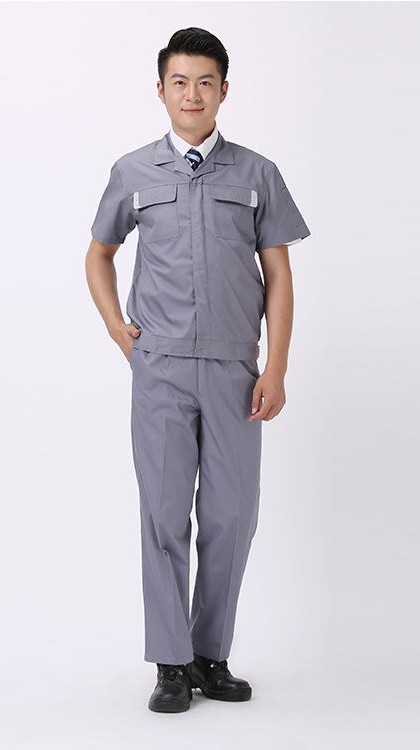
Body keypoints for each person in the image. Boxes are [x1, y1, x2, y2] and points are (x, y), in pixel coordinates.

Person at [85, 27, 310, 713]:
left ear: (223, 90)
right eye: (179, 82)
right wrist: (116, 327)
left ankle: (210, 655)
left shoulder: (256, 174)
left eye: (204, 82)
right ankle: (170, 663)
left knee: (231, 514)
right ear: (161, 90)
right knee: (162, 513)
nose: (192, 94)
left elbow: (278, 274)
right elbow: (99, 254)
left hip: (236, 370)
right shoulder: (132, 172)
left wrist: (276, 365)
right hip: (159, 367)